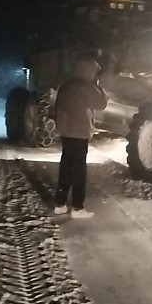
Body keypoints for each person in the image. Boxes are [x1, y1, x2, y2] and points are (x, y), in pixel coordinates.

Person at [53, 56, 109, 218]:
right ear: (89, 71)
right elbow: (101, 104)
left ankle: (60, 204)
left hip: (66, 131)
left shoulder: (66, 85)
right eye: (94, 72)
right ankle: (77, 207)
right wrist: (99, 87)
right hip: (79, 132)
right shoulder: (86, 86)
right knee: (79, 171)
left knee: (65, 168)